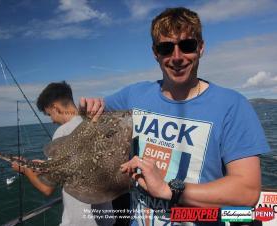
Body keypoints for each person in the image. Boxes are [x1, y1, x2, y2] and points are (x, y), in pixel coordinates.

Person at [80, 7, 270, 226]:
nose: (177, 57)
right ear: (155, 53)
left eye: (187, 46)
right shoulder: (133, 95)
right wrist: (86, 107)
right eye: (166, 48)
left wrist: (168, 190)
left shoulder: (233, 106)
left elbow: (247, 191)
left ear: (201, 48)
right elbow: (90, 115)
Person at [12, 81, 114, 226]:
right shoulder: (97, 124)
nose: (52, 121)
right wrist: (48, 166)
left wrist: (24, 169)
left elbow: (47, 188)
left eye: (49, 114)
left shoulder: (63, 133)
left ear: (56, 108)